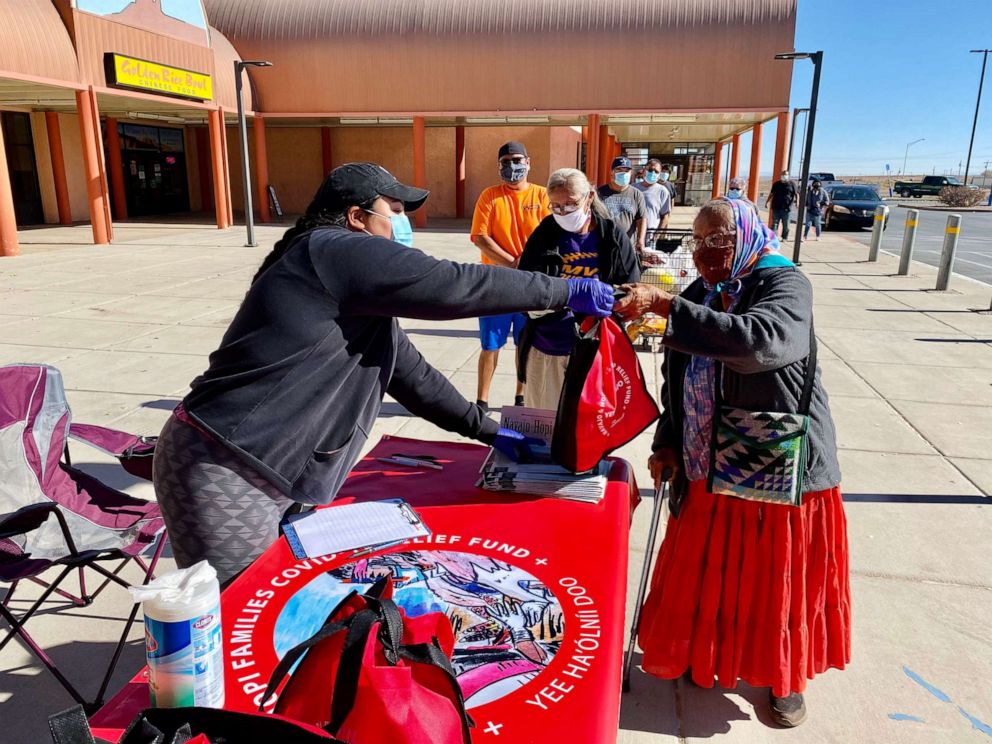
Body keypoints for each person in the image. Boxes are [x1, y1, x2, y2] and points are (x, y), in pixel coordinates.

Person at [152, 162, 614, 583]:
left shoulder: (356, 291)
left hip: (272, 467)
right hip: (227, 463)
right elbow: (454, 284)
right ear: (356, 217)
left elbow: (413, 377)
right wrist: (561, 290)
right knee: (237, 618)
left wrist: (493, 434)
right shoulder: (332, 248)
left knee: (284, 607)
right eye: (392, 210)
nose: (401, 222)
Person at [614, 198, 850, 728]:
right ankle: (710, 654)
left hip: (774, 459)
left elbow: (761, 345)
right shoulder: (704, 291)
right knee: (714, 572)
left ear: (745, 236)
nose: (703, 255)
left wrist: (666, 306)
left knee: (775, 580)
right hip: (708, 462)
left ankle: (783, 677)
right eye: (696, 242)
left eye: (716, 242)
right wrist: (667, 440)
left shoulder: (785, 284)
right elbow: (677, 380)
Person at [516, 168, 641, 409]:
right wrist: (563, 296)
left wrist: (605, 299)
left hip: (596, 351)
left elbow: (632, 291)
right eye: (556, 206)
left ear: (590, 197)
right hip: (548, 348)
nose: (563, 212)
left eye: (571, 204)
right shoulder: (544, 234)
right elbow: (525, 287)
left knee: (589, 430)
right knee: (546, 431)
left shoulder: (612, 237)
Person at [470, 141, 550, 412]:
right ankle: (481, 401)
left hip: (530, 286)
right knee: (490, 344)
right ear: (498, 166)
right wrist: (512, 263)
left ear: (528, 162)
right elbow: (480, 237)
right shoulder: (490, 196)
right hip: (496, 285)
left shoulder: (542, 196)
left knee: (524, 345)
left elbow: (553, 236)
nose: (512, 166)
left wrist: (529, 265)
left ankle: (520, 396)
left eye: (517, 160)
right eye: (505, 161)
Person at [597, 156, 647, 252]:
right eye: (619, 170)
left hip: (627, 247)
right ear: (612, 173)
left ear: (631, 173)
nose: (623, 173)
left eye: (626, 170)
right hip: (604, 245)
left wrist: (641, 240)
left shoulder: (637, 194)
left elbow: (641, 218)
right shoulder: (599, 193)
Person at [635, 159, 673, 240]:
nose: (653, 173)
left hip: (649, 236)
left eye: (656, 171)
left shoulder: (663, 192)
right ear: (644, 171)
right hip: (632, 235)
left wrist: (656, 236)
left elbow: (665, 217)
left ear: (659, 174)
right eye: (650, 170)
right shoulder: (632, 188)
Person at [765, 170, 797, 240]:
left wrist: (797, 203)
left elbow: (796, 194)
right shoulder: (776, 184)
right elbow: (771, 194)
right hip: (776, 207)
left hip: (786, 208)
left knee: (786, 225)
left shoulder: (792, 184)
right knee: (774, 224)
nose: (784, 176)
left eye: (785, 174)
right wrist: (767, 202)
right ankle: (773, 238)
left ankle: (784, 237)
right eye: (782, 174)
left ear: (788, 175)